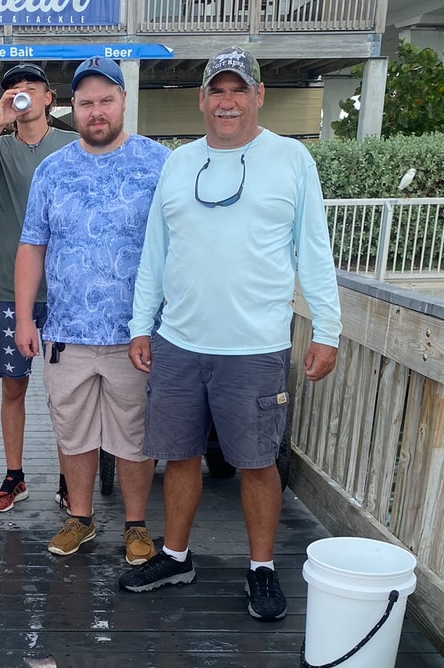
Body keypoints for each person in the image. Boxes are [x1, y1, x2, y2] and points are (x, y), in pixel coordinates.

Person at [121, 46, 341, 621]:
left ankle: (262, 568)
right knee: (180, 456)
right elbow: (154, 253)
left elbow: (313, 251)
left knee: (257, 462)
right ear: (201, 100)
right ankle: (175, 554)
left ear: (258, 95)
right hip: (179, 341)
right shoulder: (177, 162)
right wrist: (141, 325)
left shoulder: (292, 159)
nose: (226, 101)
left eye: (237, 89)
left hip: (256, 346)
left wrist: (329, 327)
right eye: (216, 91)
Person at [14, 57, 170, 566]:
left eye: (106, 100)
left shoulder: (159, 162)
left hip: (137, 335)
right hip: (66, 332)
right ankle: (79, 518)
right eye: (87, 103)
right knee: (73, 429)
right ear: (73, 109)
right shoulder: (52, 169)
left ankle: (136, 525)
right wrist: (22, 317)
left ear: (123, 102)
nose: (96, 111)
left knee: (134, 434)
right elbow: (32, 245)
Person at [0, 63, 74, 514]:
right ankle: (15, 476)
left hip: (65, 289)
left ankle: (70, 479)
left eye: (31, 88)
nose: (21, 94)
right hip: (9, 288)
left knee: (68, 391)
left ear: (49, 98)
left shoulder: (71, 145)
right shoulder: (1, 147)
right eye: (12, 89)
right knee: (14, 385)